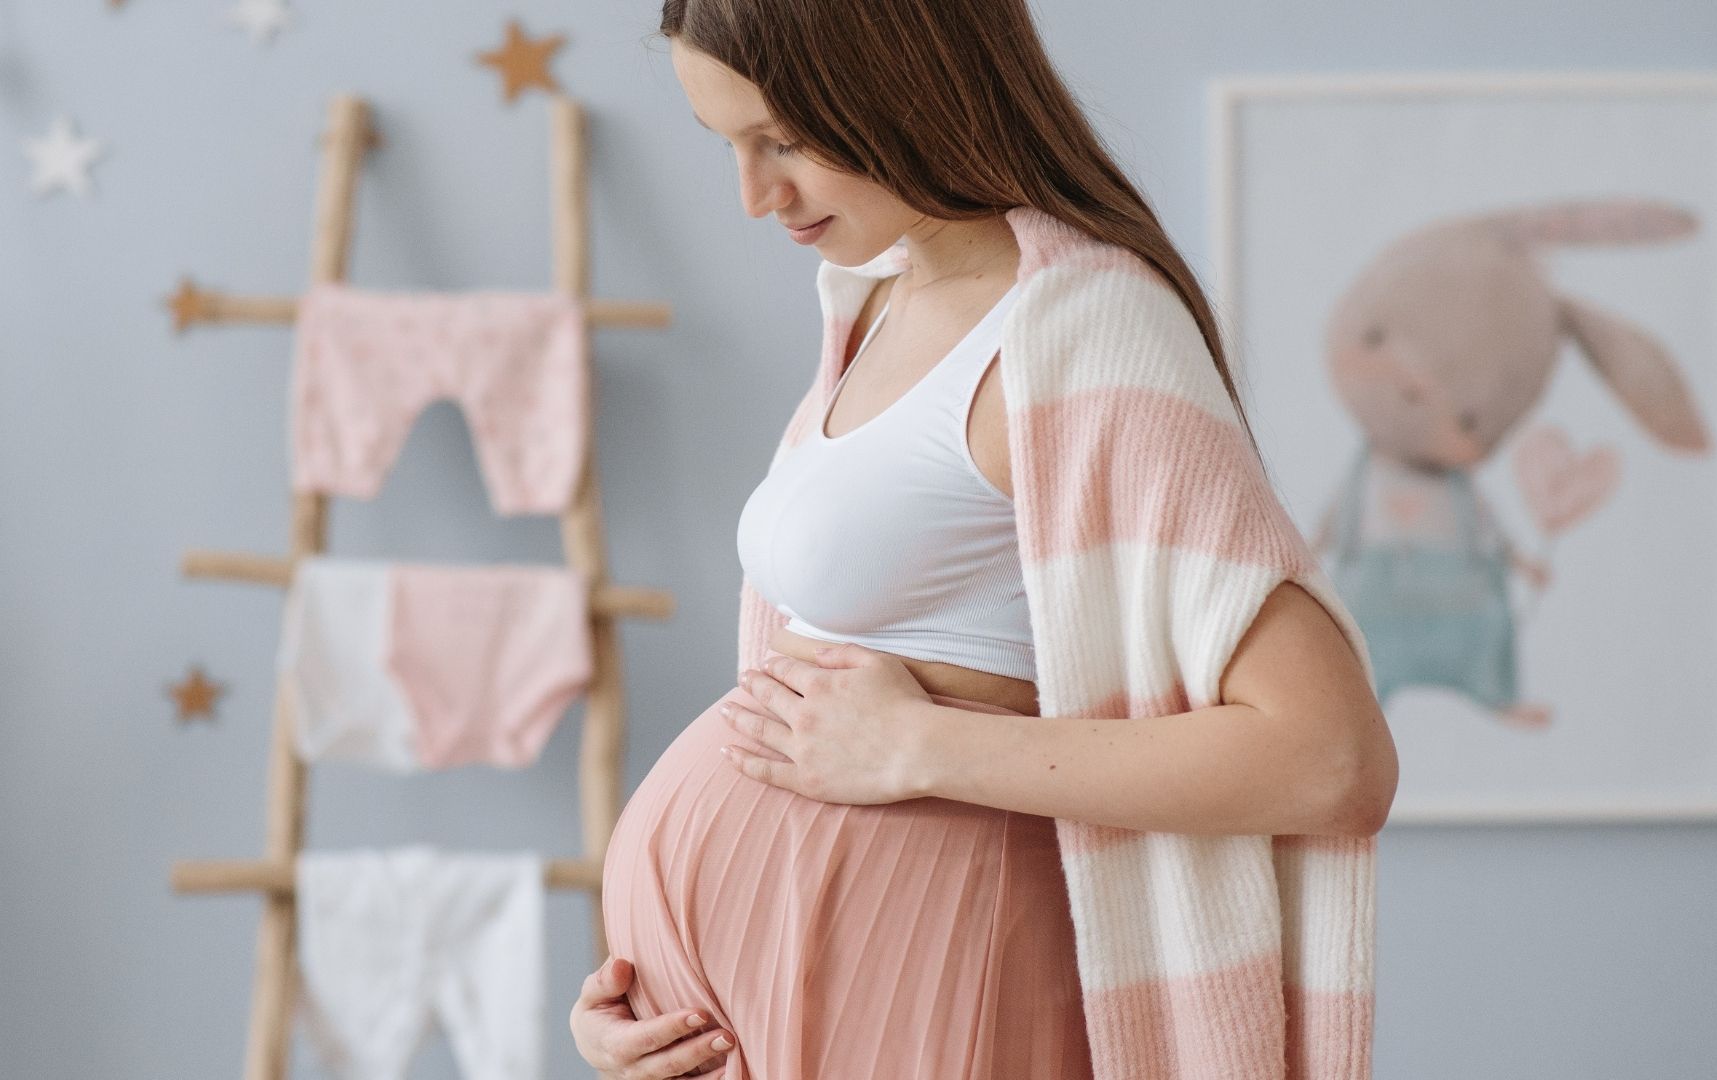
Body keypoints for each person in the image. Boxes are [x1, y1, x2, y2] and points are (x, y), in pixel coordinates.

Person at [572, 1, 1398, 1077]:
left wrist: (926, 749)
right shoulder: (875, 304)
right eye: (727, 144)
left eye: (785, 140)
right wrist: (650, 998)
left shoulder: (1083, 330)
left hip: (941, 978)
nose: (754, 196)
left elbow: (1331, 758)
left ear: (899, 82)